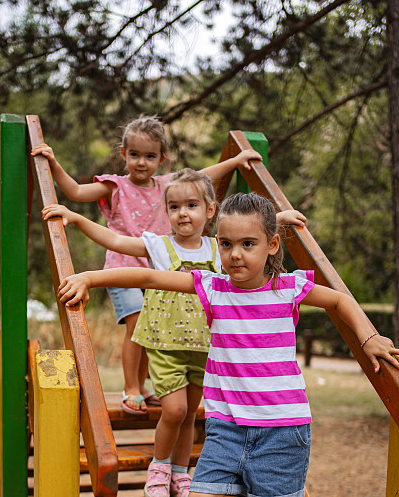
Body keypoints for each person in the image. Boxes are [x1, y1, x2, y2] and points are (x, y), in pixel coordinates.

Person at [52, 190, 399, 497]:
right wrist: (89, 276)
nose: (235, 254)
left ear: (272, 245)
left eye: (248, 244)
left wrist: (370, 337)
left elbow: (340, 301)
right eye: (225, 244)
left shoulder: (289, 288)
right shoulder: (212, 286)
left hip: (283, 425)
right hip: (227, 425)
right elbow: (149, 275)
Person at [32, 115, 265, 415]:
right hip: (122, 266)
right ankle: (131, 387)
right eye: (134, 155)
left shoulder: (168, 187)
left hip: (158, 270)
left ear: (162, 159)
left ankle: (143, 386)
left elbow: (204, 176)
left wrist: (236, 160)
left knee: (151, 325)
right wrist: (54, 165)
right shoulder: (114, 186)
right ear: (123, 154)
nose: (142, 162)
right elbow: (76, 192)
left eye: (150, 156)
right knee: (136, 321)